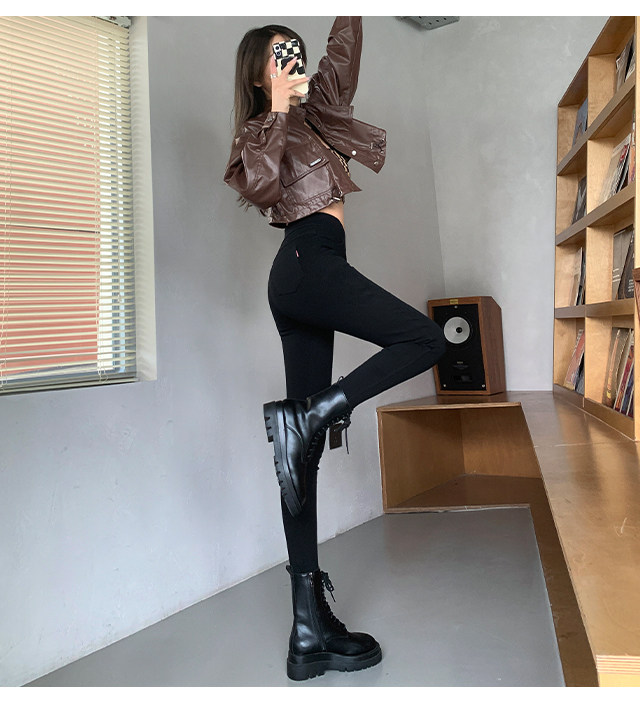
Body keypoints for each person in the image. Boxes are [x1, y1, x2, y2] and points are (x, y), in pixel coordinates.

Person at [224, 16, 446, 681]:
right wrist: (275, 107)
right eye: (280, 56)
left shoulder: (317, 113)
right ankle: (317, 412)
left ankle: (306, 629)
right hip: (306, 266)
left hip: (308, 273)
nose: (293, 63)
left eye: (295, 53)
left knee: (301, 457)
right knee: (423, 337)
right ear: (257, 71)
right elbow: (261, 186)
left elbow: (342, 57)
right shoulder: (259, 128)